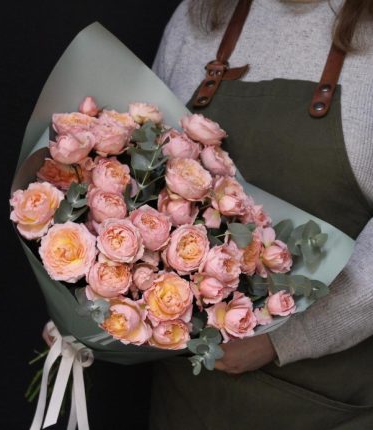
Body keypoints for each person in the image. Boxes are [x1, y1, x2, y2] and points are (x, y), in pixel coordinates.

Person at [149, 1, 373, 429]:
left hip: (329, 403)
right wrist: (93, 305)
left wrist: (284, 339)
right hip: (190, 399)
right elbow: (138, 170)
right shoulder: (200, 15)